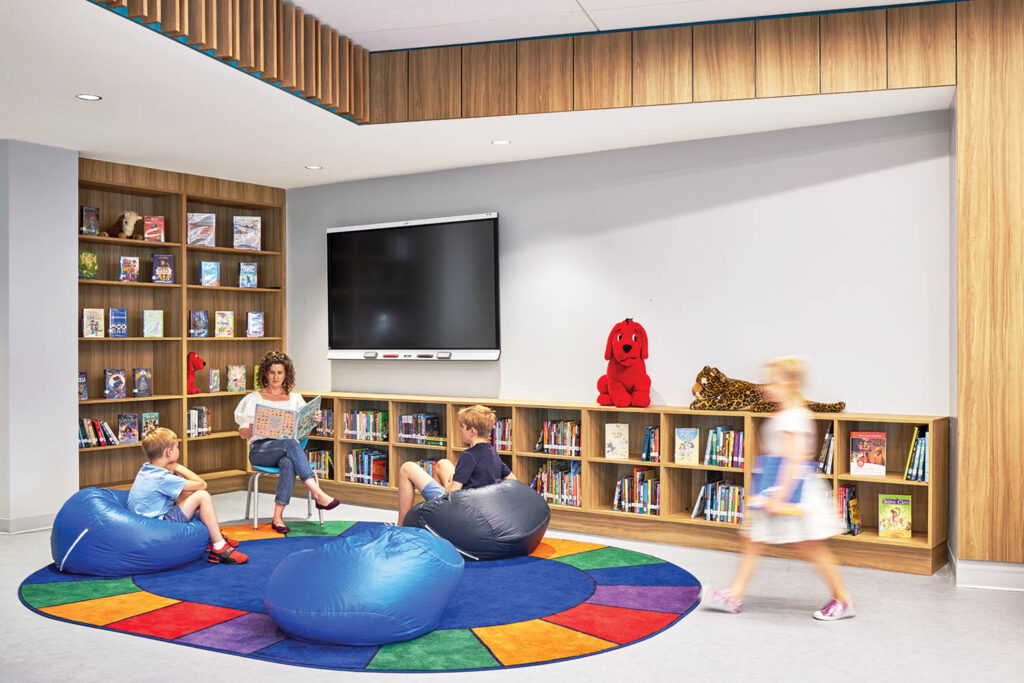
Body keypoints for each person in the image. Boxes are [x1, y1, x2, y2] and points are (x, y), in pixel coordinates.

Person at [705, 356, 855, 621]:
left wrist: (781, 497)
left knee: (811, 547)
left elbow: (794, 460)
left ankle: (843, 599)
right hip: (774, 487)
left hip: (792, 490)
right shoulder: (785, 414)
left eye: (773, 381)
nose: (766, 387)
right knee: (751, 540)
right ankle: (735, 595)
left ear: (790, 383)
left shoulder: (794, 417)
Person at [234, 350, 339, 533]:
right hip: (261, 450)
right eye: (272, 372)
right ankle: (317, 492)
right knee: (291, 445)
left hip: (286, 448)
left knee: (288, 461)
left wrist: (313, 421)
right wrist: (253, 427)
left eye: (279, 373)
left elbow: (301, 435)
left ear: (286, 375)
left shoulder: (296, 399)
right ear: (265, 373)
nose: (275, 377)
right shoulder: (253, 399)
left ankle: (277, 518)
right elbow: (243, 434)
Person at [127, 427, 248, 564]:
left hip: (144, 524)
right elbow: (202, 484)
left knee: (186, 493)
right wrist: (178, 467)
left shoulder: (147, 470)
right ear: (168, 452)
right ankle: (219, 547)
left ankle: (213, 535)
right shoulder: (162, 478)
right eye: (177, 447)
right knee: (202, 496)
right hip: (158, 527)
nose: (179, 450)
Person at [397, 405, 516, 526]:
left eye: (462, 426)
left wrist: (451, 482)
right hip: (482, 506)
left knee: (407, 468)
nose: (460, 429)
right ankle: (435, 523)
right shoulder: (492, 451)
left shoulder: (469, 456)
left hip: (461, 510)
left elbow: (450, 495)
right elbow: (513, 480)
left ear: (472, 431)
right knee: (443, 464)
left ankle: (401, 526)